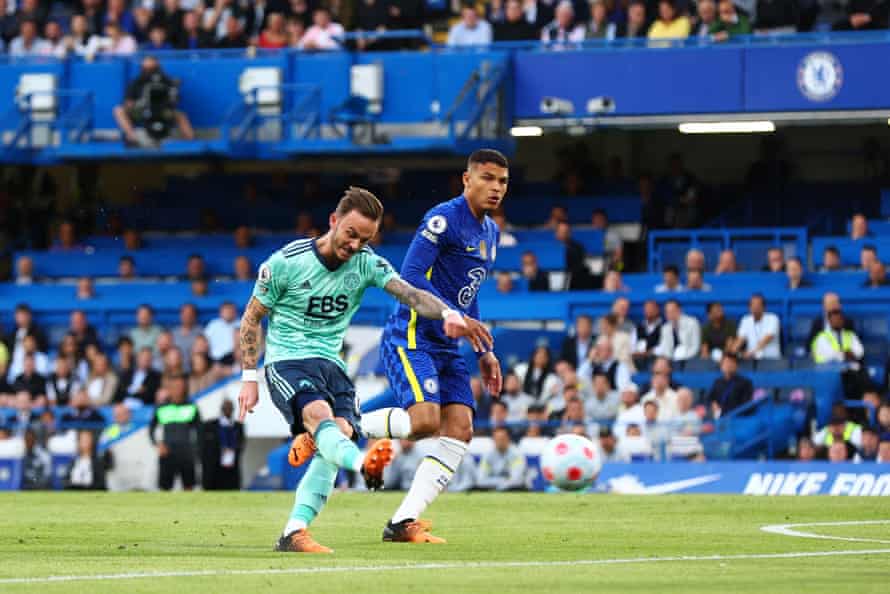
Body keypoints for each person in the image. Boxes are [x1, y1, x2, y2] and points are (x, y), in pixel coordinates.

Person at [236, 186, 491, 552]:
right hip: (288, 361)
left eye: (365, 239)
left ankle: (294, 532)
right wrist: (249, 378)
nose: (354, 244)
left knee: (335, 437)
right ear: (333, 221)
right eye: (350, 234)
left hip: (332, 365)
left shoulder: (367, 263)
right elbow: (250, 319)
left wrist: (450, 313)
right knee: (322, 417)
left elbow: (411, 294)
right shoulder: (286, 262)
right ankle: (363, 462)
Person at [360, 150, 507, 544]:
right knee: (425, 422)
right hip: (413, 335)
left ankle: (403, 522)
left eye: (503, 181)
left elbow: (468, 294)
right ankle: (335, 428)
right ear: (467, 180)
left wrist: (483, 351)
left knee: (460, 428)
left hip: (449, 344)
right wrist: (448, 314)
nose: (496, 188)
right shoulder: (443, 219)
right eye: (488, 178)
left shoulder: (490, 233)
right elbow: (408, 276)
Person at [112, 55, 195, 146]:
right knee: (118, 110)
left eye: (152, 69)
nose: (149, 71)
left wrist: (170, 101)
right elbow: (128, 102)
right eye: (146, 68)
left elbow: (175, 98)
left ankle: (190, 142)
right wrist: (137, 104)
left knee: (180, 115)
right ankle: (133, 138)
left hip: (163, 110)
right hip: (142, 111)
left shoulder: (166, 80)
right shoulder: (137, 82)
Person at [150, 374, 201, 491]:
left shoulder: (191, 407)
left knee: (189, 486)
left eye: (180, 386)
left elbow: (199, 431)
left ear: (184, 388)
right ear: (169, 389)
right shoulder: (161, 407)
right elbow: (151, 429)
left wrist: (196, 449)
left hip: (186, 453)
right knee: (165, 487)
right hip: (167, 452)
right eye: (175, 386)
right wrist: (158, 444)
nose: (177, 389)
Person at [201, 399, 244, 490]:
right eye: (225, 407)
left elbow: (241, 444)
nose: (228, 410)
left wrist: (233, 450)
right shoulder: (210, 425)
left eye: (230, 408)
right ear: (222, 409)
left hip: (231, 467)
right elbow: (204, 446)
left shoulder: (238, 426)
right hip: (214, 468)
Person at [476, 426, 528, 491]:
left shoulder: (517, 454)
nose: (499, 442)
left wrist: (496, 484)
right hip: (493, 488)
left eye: (502, 439)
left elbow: (516, 479)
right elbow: (480, 479)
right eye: (496, 439)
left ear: (509, 439)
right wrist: (501, 482)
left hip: (514, 489)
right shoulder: (488, 455)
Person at [707, 353, 753, 418]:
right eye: (726, 362)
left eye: (732, 362)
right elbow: (711, 398)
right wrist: (714, 405)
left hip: (736, 419)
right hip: (720, 418)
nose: (728, 365)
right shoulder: (717, 382)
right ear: (721, 365)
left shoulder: (745, 382)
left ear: (736, 366)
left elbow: (746, 406)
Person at [737, 294, 782, 360]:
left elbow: (767, 338)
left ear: (764, 307)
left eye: (758, 304)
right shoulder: (745, 320)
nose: (755, 307)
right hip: (751, 360)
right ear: (749, 307)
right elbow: (740, 339)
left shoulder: (773, 318)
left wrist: (752, 352)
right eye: (752, 304)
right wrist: (732, 351)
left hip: (771, 359)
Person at [205, 302, 240, 366]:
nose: (228, 313)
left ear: (235, 312)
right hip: (212, 359)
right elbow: (204, 341)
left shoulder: (242, 324)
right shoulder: (213, 324)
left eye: (230, 311)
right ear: (220, 312)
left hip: (232, 358)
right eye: (226, 311)